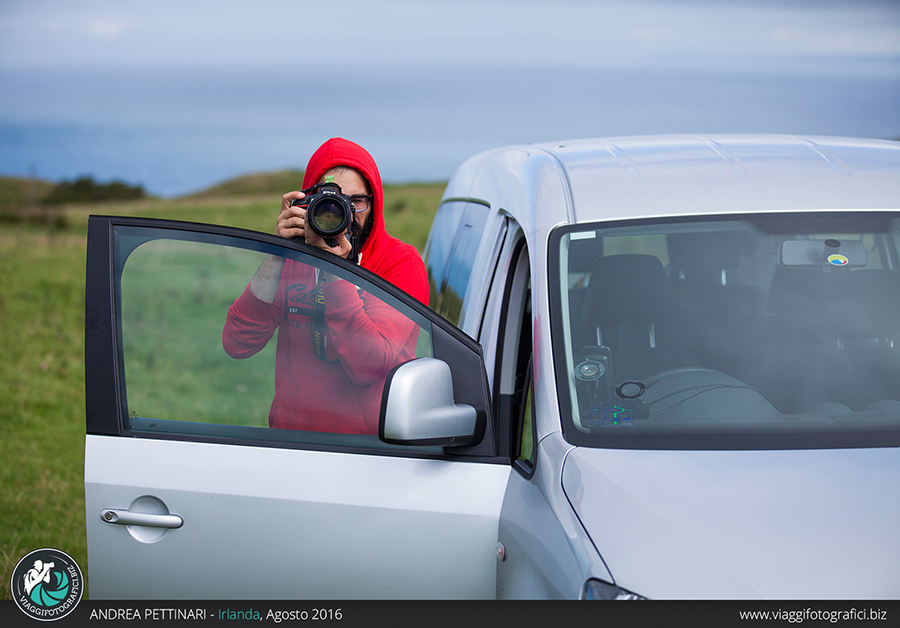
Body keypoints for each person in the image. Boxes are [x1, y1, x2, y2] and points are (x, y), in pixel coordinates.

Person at [223, 138, 429, 435]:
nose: (342, 213)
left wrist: (334, 273)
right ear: (305, 203)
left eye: (355, 201)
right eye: (328, 202)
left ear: (374, 202)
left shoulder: (399, 263)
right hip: (292, 441)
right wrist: (278, 252)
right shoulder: (294, 257)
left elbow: (370, 366)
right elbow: (238, 343)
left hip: (368, 450)